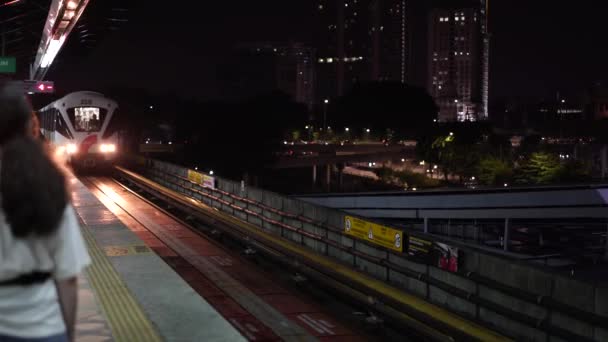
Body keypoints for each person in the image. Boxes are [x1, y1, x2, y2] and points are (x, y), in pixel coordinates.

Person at [0, 81, 91, 342]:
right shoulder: (51, 183)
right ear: (30, 126)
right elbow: (68, 279)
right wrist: (69, 335)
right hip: (44, 328)